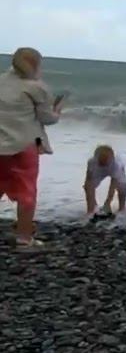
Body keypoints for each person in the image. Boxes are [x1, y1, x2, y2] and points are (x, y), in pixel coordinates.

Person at [0, 47, 62, 250]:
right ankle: (24, 238)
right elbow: (47, 118)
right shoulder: (36, 87)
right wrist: (57, 111)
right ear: (35, 65)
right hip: (24, 145)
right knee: (27, 192)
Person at [84, 144, 126, 217]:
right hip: (99, 170)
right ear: (96, 158)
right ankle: (91, 209)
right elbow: (88, 181)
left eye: (105, 161)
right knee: (88, 186)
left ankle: (122, 209)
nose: (103, 163)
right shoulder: (92, 162)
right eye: (101, 160)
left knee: (122, 187)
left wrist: (107, 203)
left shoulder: (116, 164)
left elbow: (113, 184)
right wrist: (91, 205)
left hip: (115, 169)